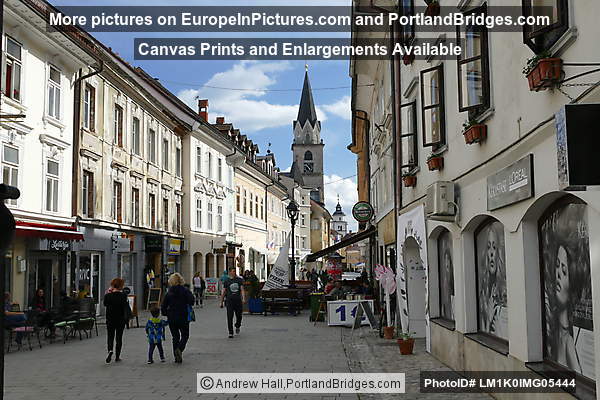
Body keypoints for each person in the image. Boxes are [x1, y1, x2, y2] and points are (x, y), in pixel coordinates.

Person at [161, 272, 194, 363]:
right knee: (185, 335)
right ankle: (179, 349)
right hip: (183, 316)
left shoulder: (169, 292)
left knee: (175, 337)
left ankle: (176, 356)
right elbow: (192, 301)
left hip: (172, 317)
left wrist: (166, 313)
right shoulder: (185, 290)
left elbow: (163, 306)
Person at [103, 278, 129, 363]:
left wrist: (108, 293)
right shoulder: (123, 296)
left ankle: (110, 350)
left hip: (110, 319)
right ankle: (117, 357)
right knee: (119, 338)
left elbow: (105, 304)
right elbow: (125, 306)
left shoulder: (108, 296)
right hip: (120, 319)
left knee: (110, 336)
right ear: (121, 286)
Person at [220, 266, 246, 339]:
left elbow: (242, 289)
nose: (234, 272)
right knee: (229, 317)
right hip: (229, 301)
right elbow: (224, 291)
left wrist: (243, 298)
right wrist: (221, 302)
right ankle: (230, 332)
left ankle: (237, 325)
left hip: (238, 301)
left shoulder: (239, 280)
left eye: (235, 271)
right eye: (232, 271)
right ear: (230, 272)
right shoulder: (227, 281)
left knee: (239, 316)